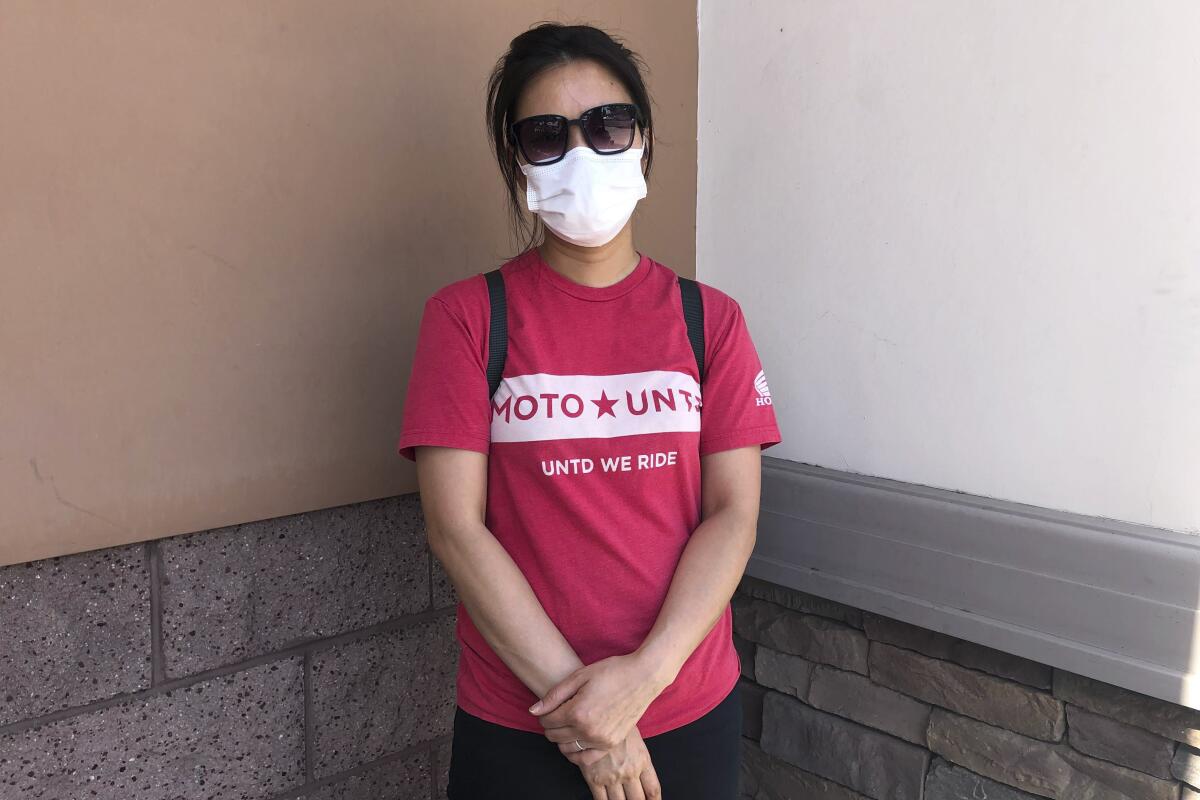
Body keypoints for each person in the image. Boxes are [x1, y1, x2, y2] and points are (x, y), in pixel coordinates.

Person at [397, 21, 782, 800]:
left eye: (607, 124)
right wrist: (593, 724)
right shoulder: (467, 318)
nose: (582, 153)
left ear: (642, 141)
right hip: (522, 719)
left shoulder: (711, 320)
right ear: (516, 162)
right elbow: (456, 529)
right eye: (547, 135)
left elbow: (732, 515)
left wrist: (641, 681)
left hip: (685, 705)